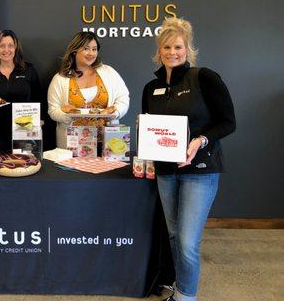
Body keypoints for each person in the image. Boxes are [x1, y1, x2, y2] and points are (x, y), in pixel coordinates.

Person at [141, 17, 236, 301]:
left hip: (200, 171)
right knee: (173, 236)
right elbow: (149, 127)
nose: (173, 52)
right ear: (159, 50)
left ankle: (186, 297)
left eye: (178, 46)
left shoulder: (204, 78)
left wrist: (199, 140)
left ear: (188, 48)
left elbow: (228, 122)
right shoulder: (151, 88)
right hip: (165, 171)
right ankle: (180, 288)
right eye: (167, 47)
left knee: (187, 241)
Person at [47, 31, 130, 148]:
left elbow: (123, 100)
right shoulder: (60, 78)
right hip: (73, 145)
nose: (91, 53)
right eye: (86, 48)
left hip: (107, 144)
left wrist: (114, 114)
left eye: (94, 49)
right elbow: (53, 110)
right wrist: (68, 115)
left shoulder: (109, 72)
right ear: (75, 50)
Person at [0, 29, 41, 149]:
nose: (6, 50)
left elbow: (39, 97)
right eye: (2, 46)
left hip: (25, 130)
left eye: (10, 46)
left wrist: (40, 120)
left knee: (25, 166)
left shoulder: (28, 70)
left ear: (16, 48)